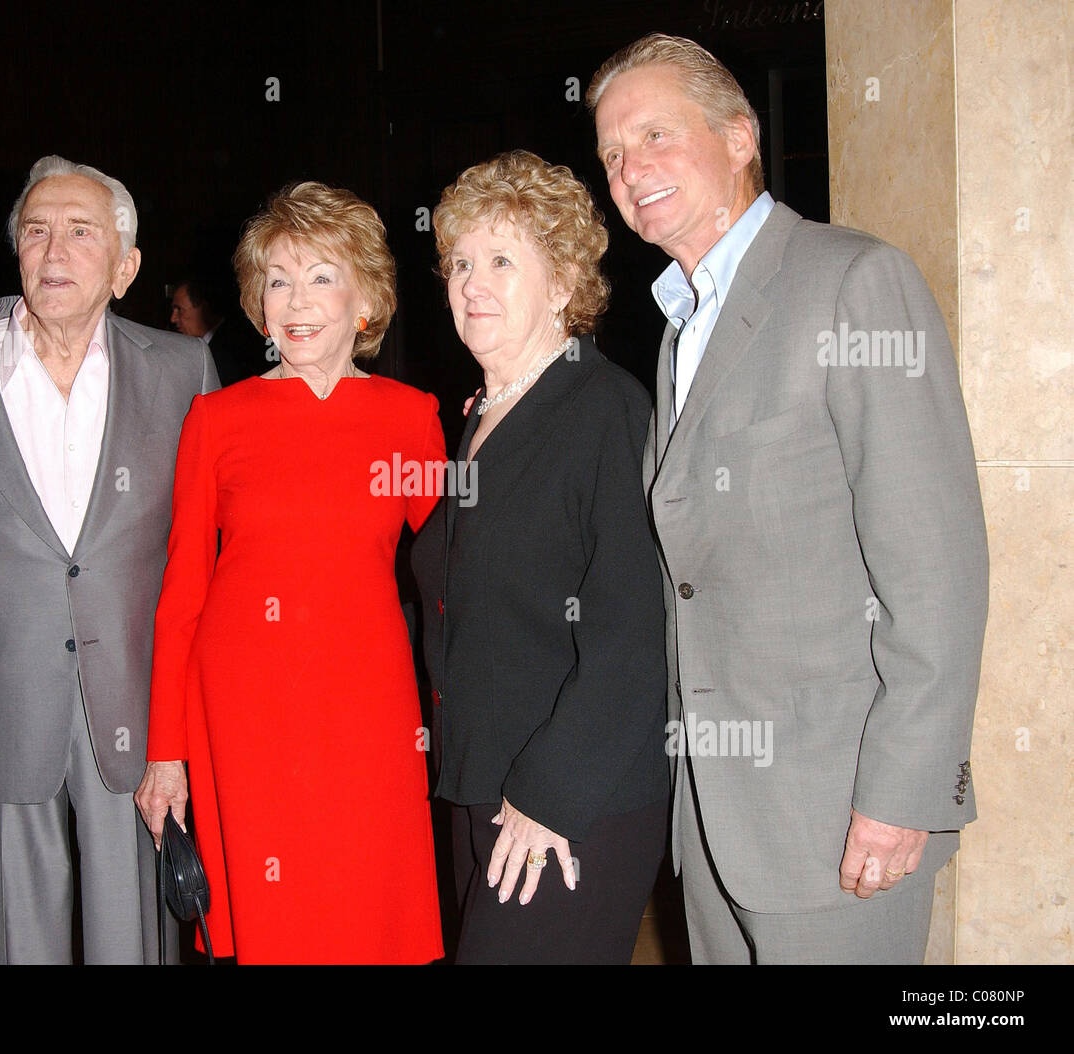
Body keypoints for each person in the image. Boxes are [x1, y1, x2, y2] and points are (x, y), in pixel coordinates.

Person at [589, 34, 989, 964]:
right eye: (611, 152)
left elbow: (937, 569)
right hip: (718, 823)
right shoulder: (679, 327)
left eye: (654, 134)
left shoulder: (853, 282)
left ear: (739, 137)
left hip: (840, 811)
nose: (630, 168)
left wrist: (906, 792)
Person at [0, 155, 219, 964]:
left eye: (81, 232)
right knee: (12, 938)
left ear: (126, 268)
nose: (54, 250)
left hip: (136, 713)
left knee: (133, 936)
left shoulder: (182, 372)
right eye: (37, 231)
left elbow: (203, 553)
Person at [137, 181, 445, 964]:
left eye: (321, 276)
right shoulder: (218, 418)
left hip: (370, 712)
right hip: (244, 714)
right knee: (273, 927)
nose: (296, 301)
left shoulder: (411, 417)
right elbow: (182, 594)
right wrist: (164, 750)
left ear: (365, 299)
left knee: (367, 913)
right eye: (278, 279)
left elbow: (459, 573)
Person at [414, 151, 668, 964]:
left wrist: (550, 795)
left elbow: (635, 632)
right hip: (482, 783)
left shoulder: (605, 411)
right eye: (458, 263)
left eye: (499, 261)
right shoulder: (486, 414)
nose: (470, 284)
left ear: (561, 283)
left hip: (568, 798)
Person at [169, 277, 263, 387]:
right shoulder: (190, 349)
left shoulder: (235, 348)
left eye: (179, 309)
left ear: (203, 308)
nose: (173, 318)